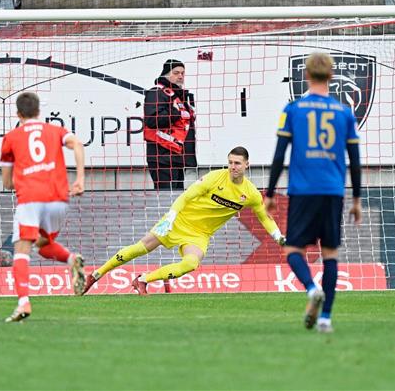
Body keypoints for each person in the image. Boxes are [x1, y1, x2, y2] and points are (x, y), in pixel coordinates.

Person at [82, 146, 284, 295]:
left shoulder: (251, 194)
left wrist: (278, 236)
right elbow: (186, 196)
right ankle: (96, 275)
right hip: (179, 221)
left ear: (247, 164)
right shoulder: (214, 178)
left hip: (199, 234)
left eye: (237, 163)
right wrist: (171, 216)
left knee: (191, 263)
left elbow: (265, 217)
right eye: (230, 162)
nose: (233, 167)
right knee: (141, 248)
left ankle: (143, 280)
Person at [264, 53, 362, 334]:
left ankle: (310, 288)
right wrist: (356, 199)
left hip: (303, 190)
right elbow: (354, 159)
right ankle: (325, 319)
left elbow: (279, 155)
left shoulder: (293, 109)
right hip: (332, 191)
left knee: (293, 249)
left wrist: (270, 193)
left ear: (306, 75)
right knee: (330, 253)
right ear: (331, 76)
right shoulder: (344, 113)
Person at [0, 92, 87, 322]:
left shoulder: (11, 137)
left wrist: (23, 177)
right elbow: (78, 144)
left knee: (22, 249)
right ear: (39, 111)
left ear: (18, 114)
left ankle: (23, 303)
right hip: (59, 199)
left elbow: (7, 182)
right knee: (42, 243)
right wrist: (80, 180)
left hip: (30, 199)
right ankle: (71, 259)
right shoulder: (55, 130)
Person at [144, 59, 197, 190]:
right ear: (166, 74)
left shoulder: (178, 96)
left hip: (177, 157)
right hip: (162, 158)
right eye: (176, 73)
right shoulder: (157, 92)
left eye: (182, 73)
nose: (180, 76)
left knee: (177, 197)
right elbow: (152, 120)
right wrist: (174, 113)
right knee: (165, 198)